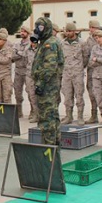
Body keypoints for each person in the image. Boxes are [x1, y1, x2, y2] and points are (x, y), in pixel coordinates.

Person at [31, 17, 64, 146]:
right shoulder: (44, 43)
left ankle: (49, 147)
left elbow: (50, 67)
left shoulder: (50, 44)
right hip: (48, 86)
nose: (38, 30)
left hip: (48, 87)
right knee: (51, 116)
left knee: (47, 118)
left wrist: (40, 83)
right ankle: (54, 145)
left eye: (41, 28)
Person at [60, 22, 87, 125]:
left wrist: (79, 67)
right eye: (67, 31)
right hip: (66, 73)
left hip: (77, 73)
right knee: (67, 96)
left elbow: (85, 56)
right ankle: (68, 116)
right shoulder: (62, 43)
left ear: (75, 31)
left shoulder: (82, 43)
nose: (68, 33)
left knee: (79, 95)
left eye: (70, 31)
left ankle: (80, 116)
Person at [82, 20, 102, 123]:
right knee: (91, 93)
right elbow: (86, 56)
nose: (91, 29)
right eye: (90, 27)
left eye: (93, 27)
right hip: (91, 71)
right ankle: (94, 115)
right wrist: (82, 67)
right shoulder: (88, 41)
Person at [12, 26, 31, 118]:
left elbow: (28, 55)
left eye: (24, 31)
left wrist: (19, 53)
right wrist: (21, 53)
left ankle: (33, 111)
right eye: (21, 31)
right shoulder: (16, 44)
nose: (22, 33)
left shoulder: (32, 43)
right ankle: (19, 112)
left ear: (28, 33)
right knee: (17, 92)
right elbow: (13, 56)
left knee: (30, 92)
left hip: (28, 71)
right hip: (18, 71)